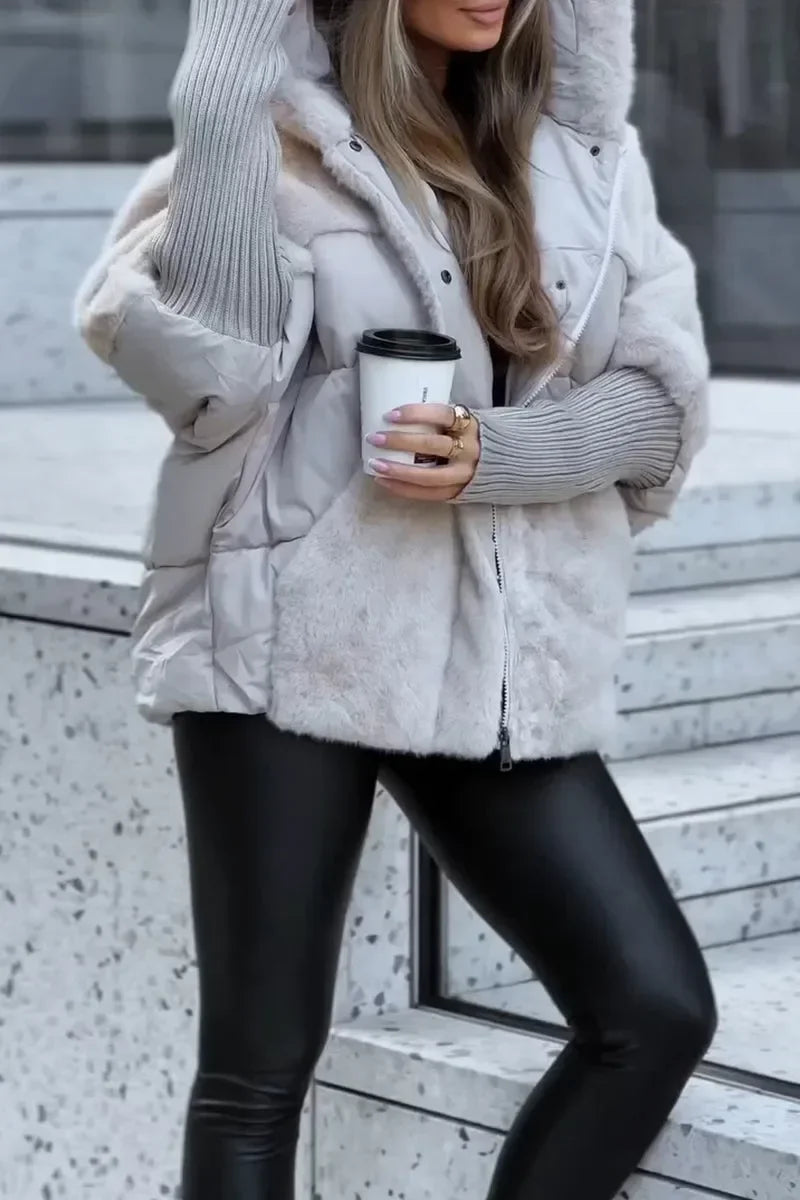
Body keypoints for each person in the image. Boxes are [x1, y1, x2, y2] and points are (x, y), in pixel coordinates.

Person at [75, 1, 717, 1197]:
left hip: (491, 651)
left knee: (652, 1007)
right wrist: (221, 86)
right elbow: (206, 376)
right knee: (257, 1072)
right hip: (280, 641)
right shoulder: (261, 145)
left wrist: (500, 455)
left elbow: (657, 401)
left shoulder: (579, 155)